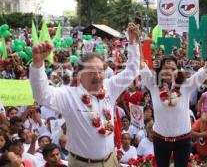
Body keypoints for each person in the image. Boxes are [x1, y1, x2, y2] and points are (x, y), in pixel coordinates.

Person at [29, 23, 140, 167]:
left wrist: (133, 43)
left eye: (100, 71)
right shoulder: (68, 95)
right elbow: (41, 95)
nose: (98, 76)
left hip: (111, 161)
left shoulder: (110, 87)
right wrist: (38, 64)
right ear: (80, 75)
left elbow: (132, 70)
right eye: (92, 71)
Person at [140, 33, 207, 167]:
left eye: (173, 68)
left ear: (178, 71)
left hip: (183, 141)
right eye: (165, 68)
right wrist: (135, 43)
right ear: (159, 71)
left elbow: (205, 70)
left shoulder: (186, 85)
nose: (169, 71)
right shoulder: (153, 85)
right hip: (160, 141)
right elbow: (141, 65)